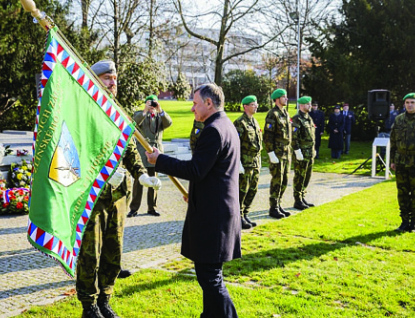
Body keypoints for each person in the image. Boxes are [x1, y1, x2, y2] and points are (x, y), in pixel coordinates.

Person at [146, 83, 241, 317]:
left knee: (210, 278)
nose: (192, 109)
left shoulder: (214, 130)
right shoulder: (225, 125)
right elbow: (213, 173)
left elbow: (197, 170)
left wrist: (160, 160)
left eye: (195, 103)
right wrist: (197, 192)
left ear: (209, 103)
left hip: (214, 216)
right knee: (209, 276)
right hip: (216, 208)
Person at [77, 60, 162, 318]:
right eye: (106, 78)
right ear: (94, 80)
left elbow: (128, 149)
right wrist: (102, 174)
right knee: (91, 253)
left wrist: (141, 174)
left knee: (113, 251)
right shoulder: (84, 111)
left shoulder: (118, 112)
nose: (112, 83)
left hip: (118, 196)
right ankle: (89, 305)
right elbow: (78, 152)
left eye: (114, 78)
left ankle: (105, 299)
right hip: (93, 196)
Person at [127, 95, 172, 217]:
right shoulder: (140, 114)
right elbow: (134, 124)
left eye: (153, 103)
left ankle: (152, 207)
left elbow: (169, 123)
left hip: (155, 152)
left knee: (154, 181)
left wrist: (160, 110)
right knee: (139, 181)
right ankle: (134, 208)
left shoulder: (160, 116)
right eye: (149, 103)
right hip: (143, 152)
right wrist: (145, 111)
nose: (151, 106)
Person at [233, 95, 263, 229]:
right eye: (253, 104)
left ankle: (245, 213)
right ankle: (237, 217)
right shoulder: (240, 123)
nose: (256, 106)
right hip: (245, 163)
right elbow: (235, 144)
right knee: (242, 190)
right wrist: (237, 162)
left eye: (256, 104)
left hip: (255, 161)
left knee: (253, 189)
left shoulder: (254, 121)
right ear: (245, 106)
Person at [263, 88, 291, 219]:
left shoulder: (285, 113)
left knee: (284, 180)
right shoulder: (272, 114)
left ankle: (279, 204)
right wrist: (271, 153)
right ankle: (273, 207)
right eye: (283, 97)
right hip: (277, 153)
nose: (286, 99)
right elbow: (268, 136)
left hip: (286, 152)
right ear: (277, 99)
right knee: (277, 180)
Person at [390, 93, 415, 232]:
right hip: (401, 162)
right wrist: (392, 160)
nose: (410, 105)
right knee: (402, 193)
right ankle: (405, 221)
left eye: (412, 102)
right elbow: (393, 141)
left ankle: (414, 223)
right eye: (407, 102)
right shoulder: (398, 120)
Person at [291, 96, 316, 211]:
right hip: (301, 153)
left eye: (310, 104)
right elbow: (294, 137)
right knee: (300, 176)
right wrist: (297, 151)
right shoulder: (297, 119)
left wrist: (313, 149)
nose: (310, 106)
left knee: (307, 176)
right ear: (301, 106)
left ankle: (302, 196)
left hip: (309, 152)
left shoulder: (308, 118)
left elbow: (312, 136)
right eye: (308, 104)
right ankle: (297, 200)